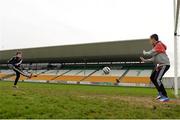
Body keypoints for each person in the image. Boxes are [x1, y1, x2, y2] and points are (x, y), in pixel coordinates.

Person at [140, 34, 170, 102]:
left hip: (165, 64)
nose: (149, 41)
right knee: (152, 77)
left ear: (153, 39)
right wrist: (145, 60)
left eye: (150, 39)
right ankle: (160, 93)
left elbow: (151, 52)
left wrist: (145, 53)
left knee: (157, 79)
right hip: (160, 66)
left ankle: (165, 96)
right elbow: (153, 58)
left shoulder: (159, 44)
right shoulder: (157, 48)